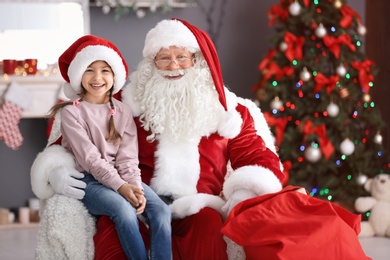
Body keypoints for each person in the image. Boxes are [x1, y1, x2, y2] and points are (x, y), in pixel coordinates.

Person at [31, 19, 284, 259]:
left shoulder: (228, 111)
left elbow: (256, 156)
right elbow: (76, 141)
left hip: (197, 205)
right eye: (164, 58)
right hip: (135, 199)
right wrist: (56, 169)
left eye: (181, 57)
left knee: (208, 229)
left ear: (196, 60)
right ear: (153, 63)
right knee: (115, 232)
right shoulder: (125, 104)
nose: (173, 66)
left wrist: (245, 192)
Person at [43, 35, 171, 260]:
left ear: (114, 76)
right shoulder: (72, 113)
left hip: (121, 176)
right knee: (123, 210)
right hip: (88, 179)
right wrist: (121, 188)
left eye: (105, 70)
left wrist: (133, 185)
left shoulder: (122, 111)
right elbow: (90, 159)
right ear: (79, 76)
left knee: (161, 210)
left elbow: (128, 158)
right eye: (89, 70)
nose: (97, 77)